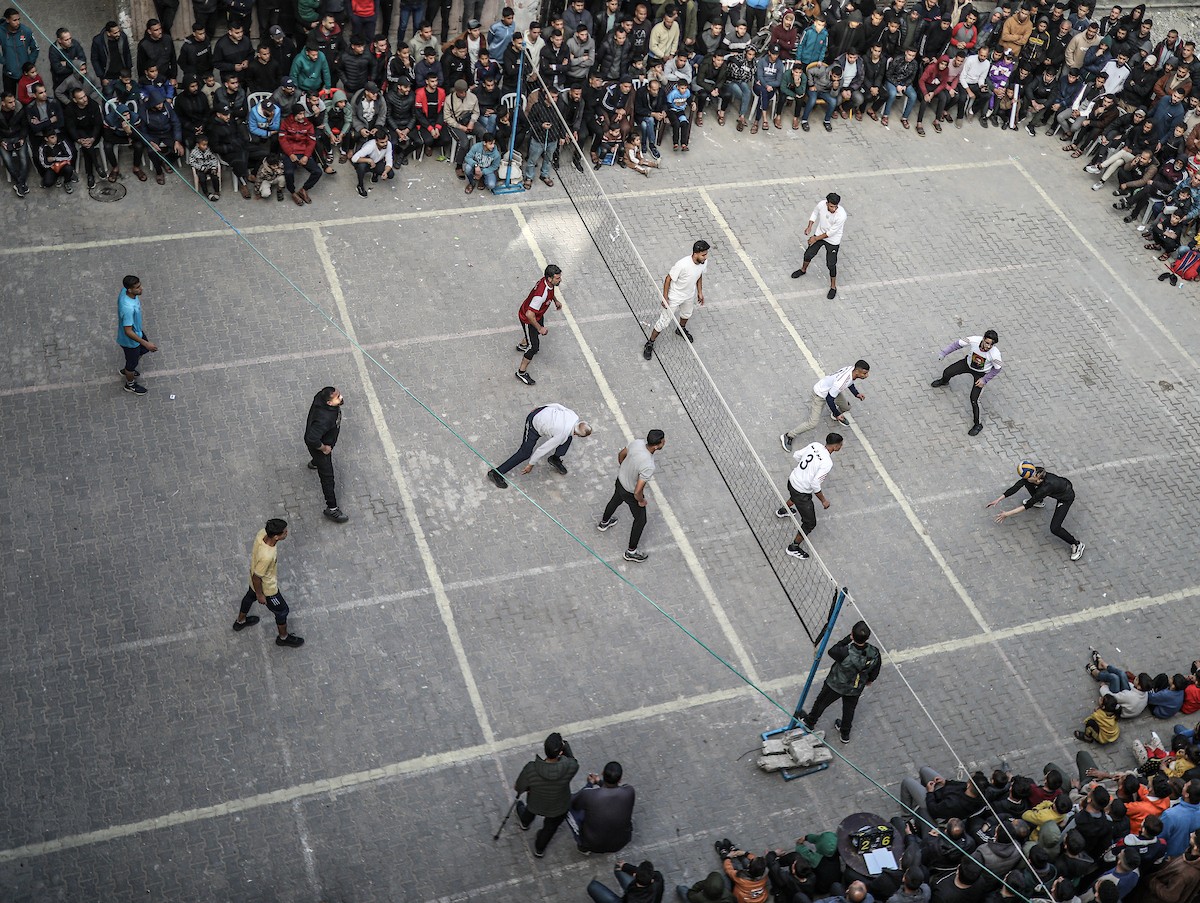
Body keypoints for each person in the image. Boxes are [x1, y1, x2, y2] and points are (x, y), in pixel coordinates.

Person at [800, 619, 881, 743]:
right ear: (867, 638)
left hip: (836, 684)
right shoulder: (874, 653)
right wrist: (870, 680)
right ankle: (845, 734)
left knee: (821, 702)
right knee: (849, 710)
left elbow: (832, 650)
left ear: (852, 635)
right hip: (855, 687)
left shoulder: (844, 652)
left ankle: (810, 722)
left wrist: (847, 639)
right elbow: (876, 669)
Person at [988, 463, 1085, 561]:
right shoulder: (1035, 472)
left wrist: (1007, 514)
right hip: (1060, 485)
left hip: (1066, 497)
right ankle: (1038, 501)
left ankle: (1077, 544)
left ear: (1038, 479)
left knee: (1055, 528)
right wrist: (998, 500)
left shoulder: (1045, 488)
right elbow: (1017, 486)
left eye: (1029, 478)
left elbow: (1027, 506)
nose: (1027, 479)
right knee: (1027, 483)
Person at [233, 518, 304, 647]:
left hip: (254, 582)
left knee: (249, 596)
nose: (286, 533)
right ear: (276, 537)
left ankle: (240, 621)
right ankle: (283, 638)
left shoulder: (262, 533)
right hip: (268, 590)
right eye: (284, 532)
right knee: (282, 611)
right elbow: (257, 577)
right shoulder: (267, 556)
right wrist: (261, 595)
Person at [598, 429, 666, 563]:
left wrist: (624, 470)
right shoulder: (648, 465)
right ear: (657, 445)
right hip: (630, 492)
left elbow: (621, 455)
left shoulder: (637, 443)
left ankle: (604, 523)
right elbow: (637, 490)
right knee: (641, 520)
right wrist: (641, 501)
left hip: (620, 482)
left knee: (615, 500)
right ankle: (631, 552)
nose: (665, 442)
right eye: (663, 440)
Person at [487, 404, 592, 488]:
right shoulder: (561, 435)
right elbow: (542, 449)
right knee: (525, 453)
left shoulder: (574, 417)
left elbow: (558, 406)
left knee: (567, 438)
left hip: (541, 412)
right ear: (577, 433)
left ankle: (554, 459)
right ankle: (496, 473)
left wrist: (543, 407)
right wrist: (531, 464)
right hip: (534, 424)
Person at [777, 432, 843, 561]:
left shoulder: (815, 445)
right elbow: (815, 484)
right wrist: (823, 501)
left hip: (792, 480)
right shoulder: (827, 463)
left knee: (795, 497)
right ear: (835, 446)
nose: (841, 446)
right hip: (801, 491)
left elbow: (797, 455)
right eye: (840, 444)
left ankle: (783, 511)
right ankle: (793, 547)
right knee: (810, 523)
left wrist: (805, 472)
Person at [780, 360, 869, 451]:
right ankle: (789, 435)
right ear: (857, 371)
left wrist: (856, 394)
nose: (866, 376)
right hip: (820, 395)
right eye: (864, 373)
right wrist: (838, 414)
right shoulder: (841, 382)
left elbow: (849, 383)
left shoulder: (851, 370)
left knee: (846, 407)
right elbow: (829, 399)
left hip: (832, 391)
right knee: (812, 423)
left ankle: (835, 415)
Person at [515, 731, 579, 857]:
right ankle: (539, 849)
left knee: (529, 810)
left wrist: (527, 788)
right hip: (559, 806)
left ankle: (525, 823)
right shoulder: (570, 767)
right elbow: (573, 761)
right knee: (549, 829)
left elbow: (518, 787)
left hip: (536, 802)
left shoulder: (531, 768)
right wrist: (566, 747)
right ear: (560, 752)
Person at [642, 239, 709, 360]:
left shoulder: (703, 262)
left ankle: (681, 329)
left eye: (706, 254)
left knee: (687, 314)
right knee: (663, 321)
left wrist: (699, 291)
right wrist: (665, 298)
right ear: (695, 253)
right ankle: (650, 343)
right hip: (675, 297)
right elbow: (668, 279)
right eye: (703, 254)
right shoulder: (682, 265)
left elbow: (699, 275)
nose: (706, 257)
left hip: (689, 295)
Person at [930, 329, 1002, 436]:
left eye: (991, 345)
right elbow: (957, 344)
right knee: (947, 372)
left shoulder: (995, 354)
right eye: (987, 343)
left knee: (974, 399)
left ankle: (978, 424)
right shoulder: (973, 340)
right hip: (967, 364)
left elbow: (997, 368)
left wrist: (984, 380)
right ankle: (944, 381)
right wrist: (944, 353)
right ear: (983, 339)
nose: (988, 347)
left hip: (981, 374)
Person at [304, 386, 350, 523]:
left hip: (324, 440)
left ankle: (314, 463)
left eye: (339, 394)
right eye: (338, 397)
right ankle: (332, 508)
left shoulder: (321, 398)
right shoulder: (324, 419)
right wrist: (323, 448)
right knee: (328, 477)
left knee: (319, 462)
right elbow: (311, 439)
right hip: (320, 448)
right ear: (329, 403)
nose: (341, 397)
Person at [569, 761, 635, 854]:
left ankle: (583, 846)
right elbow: (614, 789)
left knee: (568, 810)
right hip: (620, 842)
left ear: (603, 773)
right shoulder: (629, 791)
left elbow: (574, 804)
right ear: (620, 780)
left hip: (593, 844)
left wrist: (589, 784)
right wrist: (600, 782)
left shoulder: (589, 794)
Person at [514, 264, 564, 386]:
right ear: (549, 278)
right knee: (534, 347)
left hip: (538, 315)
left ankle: (522, 345)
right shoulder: (541, 295)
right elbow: (529, 314)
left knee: (532, 336)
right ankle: (521, 372)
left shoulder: (548, 284)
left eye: (559, 277)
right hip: (528, 319)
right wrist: (540, 328)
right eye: (557, 278)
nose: (560, 279)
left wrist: (555, 300)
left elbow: (550, 292)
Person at [791, 193, 846, 299]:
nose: (833, 209)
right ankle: (803, 270)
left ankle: (833, 287)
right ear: (826, 203)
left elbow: (830, 233)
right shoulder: (821, 205)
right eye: (831, 206)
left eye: (835, 206)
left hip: (832, 240)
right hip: (819, 234)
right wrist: (809, 227)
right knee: (808, 254)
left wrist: (814, 238)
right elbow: (815, 213)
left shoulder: (841, 215)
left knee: (831, 264)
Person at [116, 275, 157, 396]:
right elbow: (128, 331)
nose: (141, 288)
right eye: (138, 287)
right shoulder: (128, 308)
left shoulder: (124, 291)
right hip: (130, 340)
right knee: (132, 363)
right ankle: (130, 383)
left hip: (137, 332)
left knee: (143, 351)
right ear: (130, 290)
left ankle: (130, 369)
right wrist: (146, 343)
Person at [588, 860, 666, 903]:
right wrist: (626, 866)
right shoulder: (658, 878)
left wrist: (626, 867)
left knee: (592, 887)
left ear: (634, 875)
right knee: (620, 868)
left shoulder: (632, 899)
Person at [350, 128, 393, 197]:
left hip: (377, 161)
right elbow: (354, 158)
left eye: (386, 141)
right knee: (361, 167)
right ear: (376, 141)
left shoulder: (389, 145)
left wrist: (385, 172)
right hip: (367, 162)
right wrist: (369, 160)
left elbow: (389, 160)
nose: (385, 144)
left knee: (390, 174)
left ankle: (375, 173)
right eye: (382, 142)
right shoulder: (370, 146)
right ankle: (360, 185)